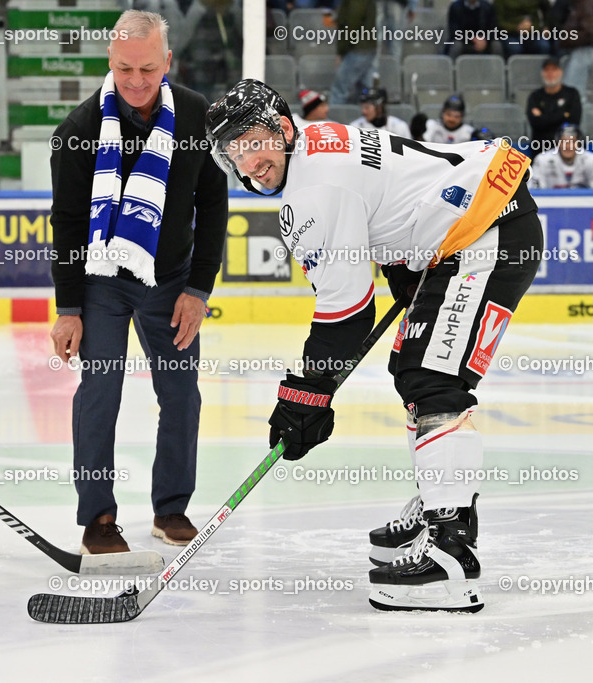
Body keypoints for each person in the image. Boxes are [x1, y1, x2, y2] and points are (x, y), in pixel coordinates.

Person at [205, 79, 542, 612]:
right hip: (471, 219)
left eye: (253, 142)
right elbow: (385, 196)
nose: (248, 164)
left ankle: (451, 554)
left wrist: (304, 396)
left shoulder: (315, 188)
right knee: (413, 371)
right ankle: (438, 503)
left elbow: (346, 313)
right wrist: (405, 262)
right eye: (233, 154)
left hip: (485, 230)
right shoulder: (313, 148)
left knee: (435, 382)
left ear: (283, 128)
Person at [49, 10, 228, 555]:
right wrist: (69, 308)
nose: (136, 80)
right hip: (102, 282)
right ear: (110, 61)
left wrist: (198, 290)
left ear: (167, 61)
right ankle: (98, 517)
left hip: (171, 282)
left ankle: (170, 508)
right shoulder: (77, 132)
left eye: (148, 68)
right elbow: (68, 225)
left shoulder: (199, 118)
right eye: (125, 68)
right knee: (99, 392)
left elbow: (213, 208)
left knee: (181, 395)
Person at [526, 56, 583, 156]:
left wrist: (544, 117)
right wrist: (563, 114)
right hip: (541, 150)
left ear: (561, 72)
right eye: (547, 70)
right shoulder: (535, 96)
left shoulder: (572, 94)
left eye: (554, 70)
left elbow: (574, 121)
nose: (550, 74)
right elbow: (536, 124)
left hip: (568, 151)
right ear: (542, 73)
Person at [330, 0, 379, 105]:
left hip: (357, 50)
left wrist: (341, 51)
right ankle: (363, 119)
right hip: (366, 49)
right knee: (365, 92)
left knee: (339, 91)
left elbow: (352, 26)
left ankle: (333, 119)